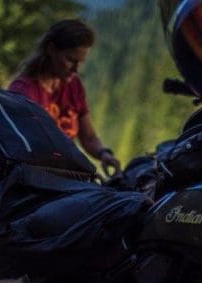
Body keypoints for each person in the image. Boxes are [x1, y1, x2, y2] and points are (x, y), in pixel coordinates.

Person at [7, 19, 121, 177]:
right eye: (70, 60)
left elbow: (88, 137)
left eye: (80, 62)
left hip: (65, 173)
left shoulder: (73, 85)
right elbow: (29, 152)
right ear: (51, 49)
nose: (75, 69)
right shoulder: (23, 92)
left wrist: (104, 154)